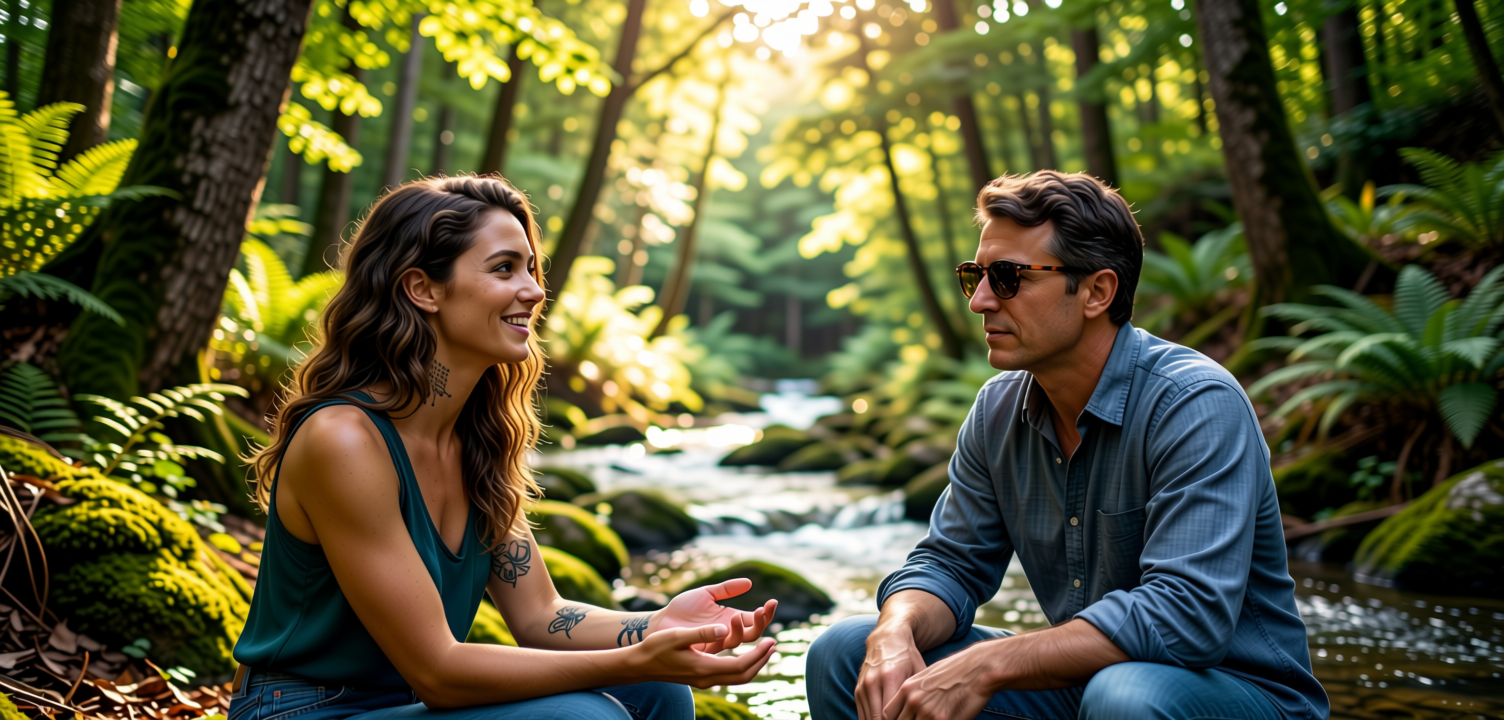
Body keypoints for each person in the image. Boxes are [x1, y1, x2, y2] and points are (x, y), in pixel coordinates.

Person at [227, 176, 778, 720]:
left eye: (531, 268)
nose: (536, 290)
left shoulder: (477, 440)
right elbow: (440, 671)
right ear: (424, 289)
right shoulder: (344, 440)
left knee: (660, 691)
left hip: (403, 705)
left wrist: (659, 625)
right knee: (584, 718)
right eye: (504, 268)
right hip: (300, 710)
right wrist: (631, 659)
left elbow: (541, 614)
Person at [806, 171, 1327, 720]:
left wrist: (987, 664)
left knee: (1123, 695)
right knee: (843, 652)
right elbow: (951, 566)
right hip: (1094, 683)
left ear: (1097, 292)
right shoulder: (997, 409)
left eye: (1008, 277)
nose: (981, 300)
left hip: (1241, 693)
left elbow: (1185, 617)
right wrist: (895, 628)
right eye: (974, 276)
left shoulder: (1195, 403)